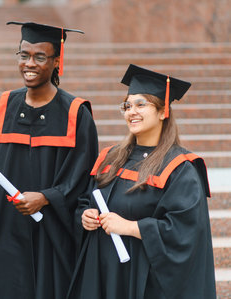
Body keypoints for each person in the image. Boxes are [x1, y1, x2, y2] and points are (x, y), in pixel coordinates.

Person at [0, 22, 98, 299]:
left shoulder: (75, 112)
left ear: (57, 61)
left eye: (40, 57)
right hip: (6, 224)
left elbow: (82, 178)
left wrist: (45, 197)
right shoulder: (8, 104)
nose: (29, 64)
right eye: (24, 55)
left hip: (51, 229)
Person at [67, 64, 216, 299]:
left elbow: (184, 232)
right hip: (103, 270)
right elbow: (87, 198)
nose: (131, 111)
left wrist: (129, 227)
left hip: (143, 279)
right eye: (127, 105)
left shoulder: (179, 167)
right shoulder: (111, 157)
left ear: (162, 111)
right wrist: (85, 215)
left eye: (140, 104)